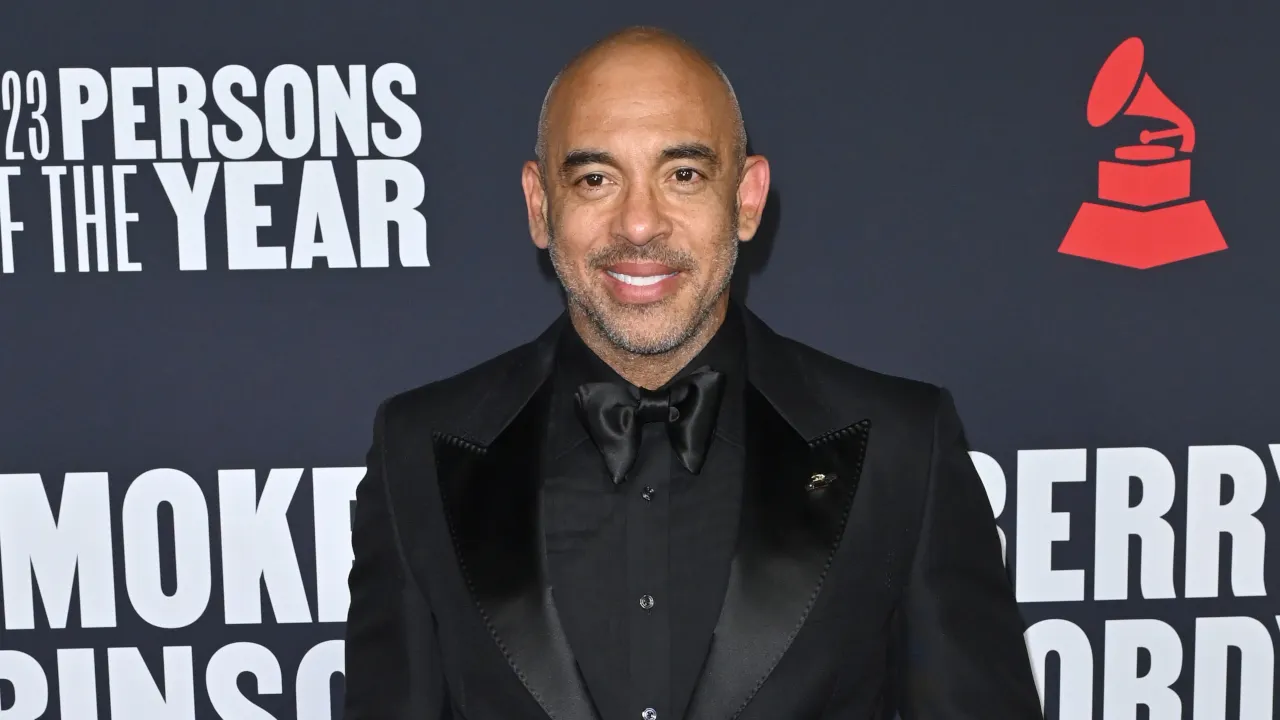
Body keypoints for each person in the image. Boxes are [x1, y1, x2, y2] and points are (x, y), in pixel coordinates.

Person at [342, 25, 1043, 720]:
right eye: (595, 179)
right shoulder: (418, 452)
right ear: (539, 205)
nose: (639, 224)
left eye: (683, 175)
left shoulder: (901, 447)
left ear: (747, 198)